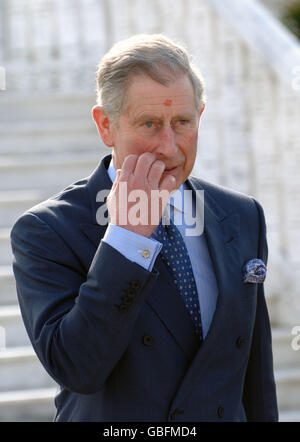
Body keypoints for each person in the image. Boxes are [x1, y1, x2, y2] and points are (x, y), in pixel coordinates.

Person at [10, 34, 278, 422]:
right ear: (105, 125)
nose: (168, 147)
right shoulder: (46, 230)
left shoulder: (241, 214)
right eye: (150, 124)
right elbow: (77, 368)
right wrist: (126, 238)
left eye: (182, 122)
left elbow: (255, 376)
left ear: (199, 116)